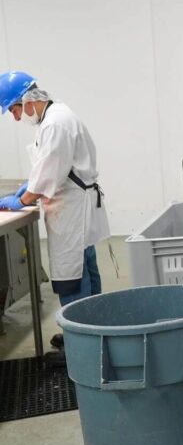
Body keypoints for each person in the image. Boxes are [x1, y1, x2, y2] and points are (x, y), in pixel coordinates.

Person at [0, 72, 110, 360]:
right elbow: (51, 167)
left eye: (13, 109)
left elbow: (49, 174)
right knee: (86, 269)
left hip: (72, 210)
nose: (14, 117)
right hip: (75, 207)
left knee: (71, 278)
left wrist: (21, 199)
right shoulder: (56, 116)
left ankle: (83, 350)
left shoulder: (55, 124)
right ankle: (92, 334)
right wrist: (32, 184)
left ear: (26, 100)